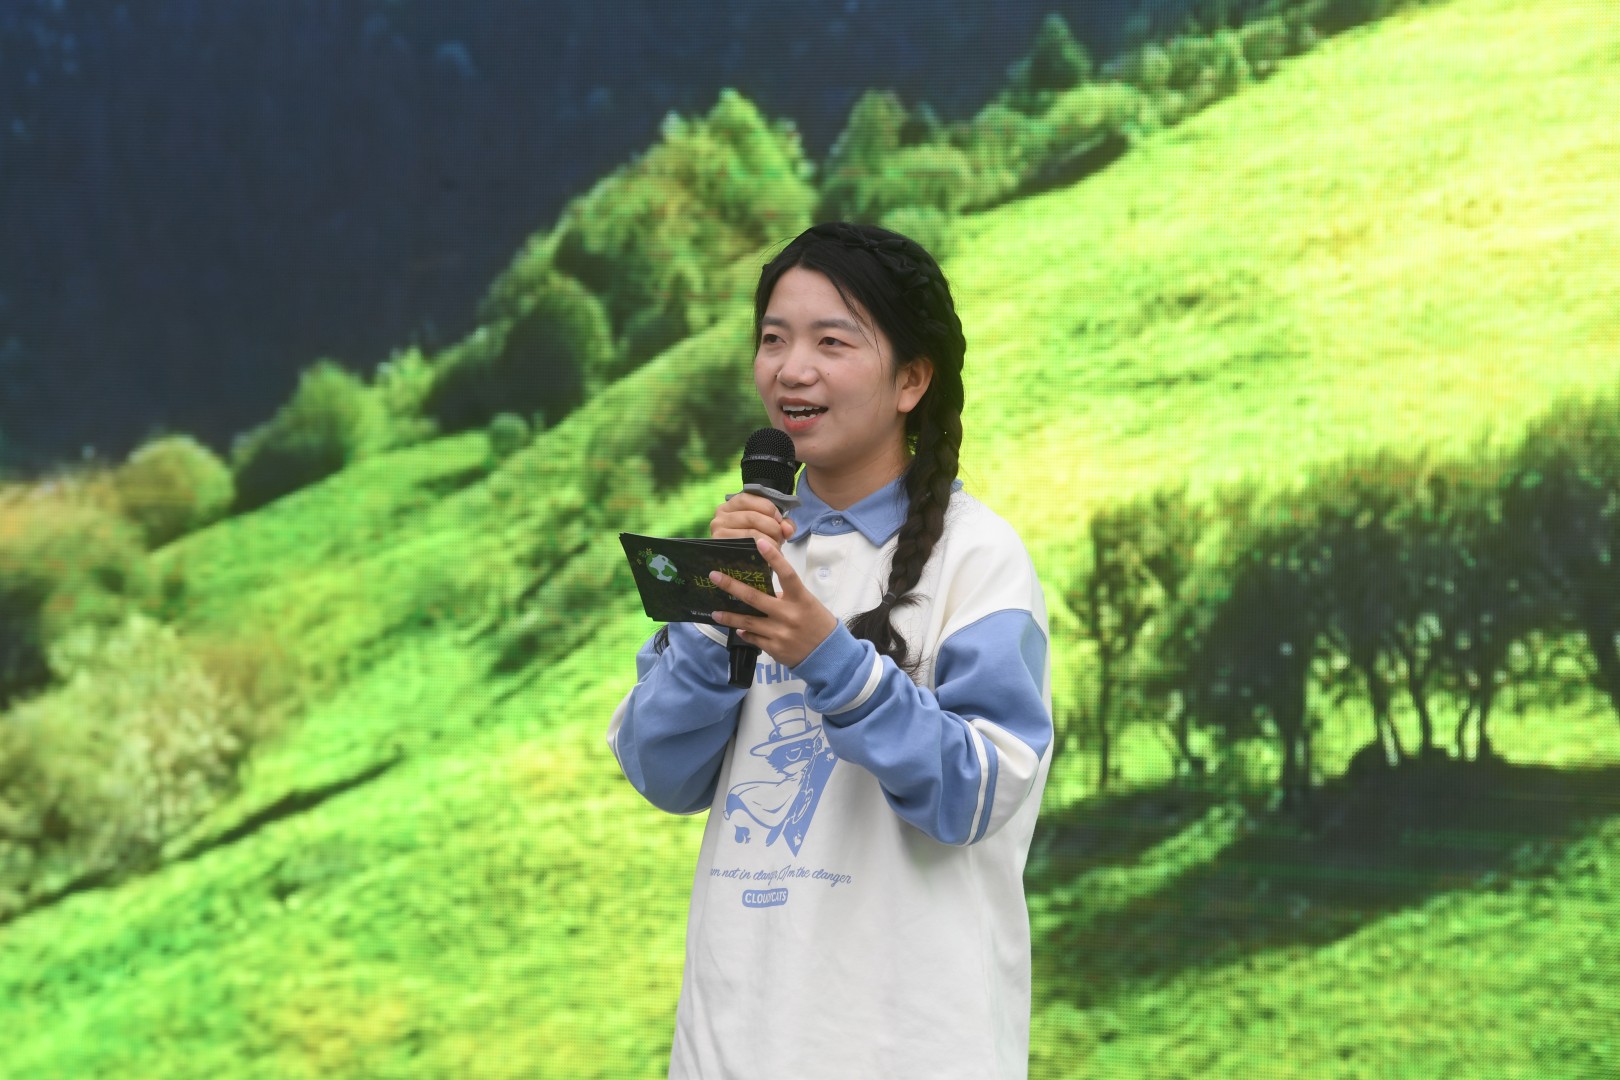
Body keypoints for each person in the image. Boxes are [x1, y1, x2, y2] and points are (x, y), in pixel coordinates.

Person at [608, 221, 1052, 1079]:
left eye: (831, 342)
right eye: (774, 339)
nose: (791, 369)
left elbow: (976, 794)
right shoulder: (744, 550)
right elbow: (657, 769)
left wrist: (832, 662)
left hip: (910, 1049)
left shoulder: (979, 557)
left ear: (912, 379)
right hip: (728, 1047)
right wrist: (715, 609)